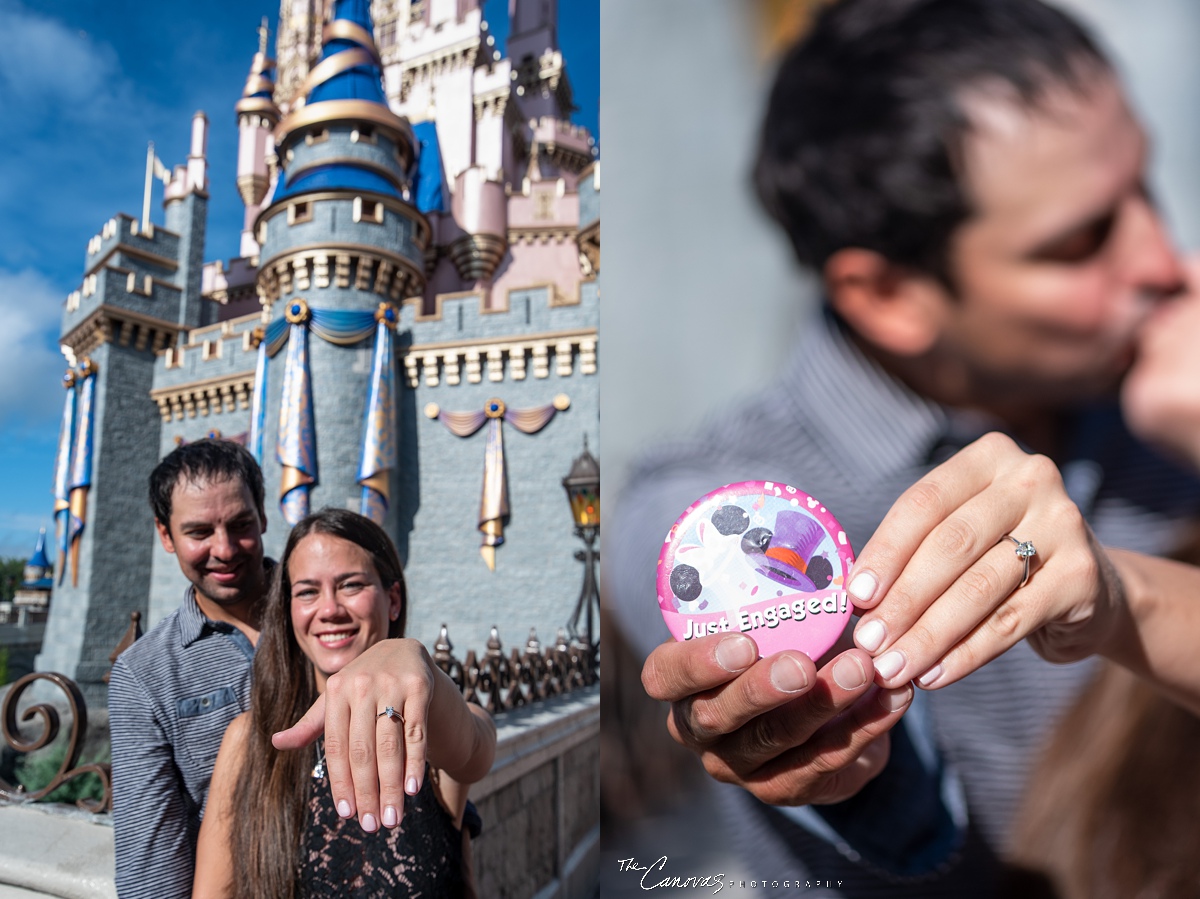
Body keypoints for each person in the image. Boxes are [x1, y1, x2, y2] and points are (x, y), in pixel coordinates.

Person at [609, 0, 1200, 894]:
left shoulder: (1161, 396)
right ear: (887, 294)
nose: (1166, 262)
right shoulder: (725, 504)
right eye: (1082, 242)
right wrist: (832, 739)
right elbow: (786, 702)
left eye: (1144, 189)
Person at [109, 440, 449, 898]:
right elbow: (150, 862)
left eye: (240, 524)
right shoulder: (146, 673)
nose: (224, 549)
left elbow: (425, 731)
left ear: (263, 516)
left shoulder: (325, 615)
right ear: (166, 535)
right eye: (199, 532)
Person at [191, 507, 496, 898]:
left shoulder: (428, 726)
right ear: (288, 609)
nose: (330, 609)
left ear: (394, 600)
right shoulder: (248, 740)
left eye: (351, 585)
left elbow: (475, 748)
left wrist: (416, 661)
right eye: (307, 591)